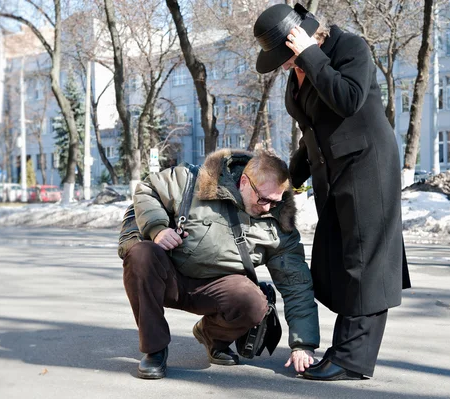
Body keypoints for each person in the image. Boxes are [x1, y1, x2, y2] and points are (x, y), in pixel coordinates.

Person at [253, 4, 411, 381]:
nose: (285, 66)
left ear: (301, 40)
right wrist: (287, 177)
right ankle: (344, 349)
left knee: (363, 260)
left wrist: (310, 54)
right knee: (335, 258)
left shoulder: (350, 48)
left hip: (367, 166)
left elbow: (348, 99)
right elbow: (312, 132)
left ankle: (351, 358)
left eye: (286, 57)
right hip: (332, 173)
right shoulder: (301, 72)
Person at [122, 149, 319, 379]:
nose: (267, 207)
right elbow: (148, 189)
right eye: (263, 199)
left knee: (254, 302)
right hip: (169, 278)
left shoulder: (278, 225)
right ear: (244, 182)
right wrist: (157, 229)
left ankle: (212, 337)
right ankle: (154, 350)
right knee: (141, 254)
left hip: (218, 291)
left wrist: (303, 344)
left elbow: (296, 284)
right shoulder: (194, 181)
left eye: (274, 202)